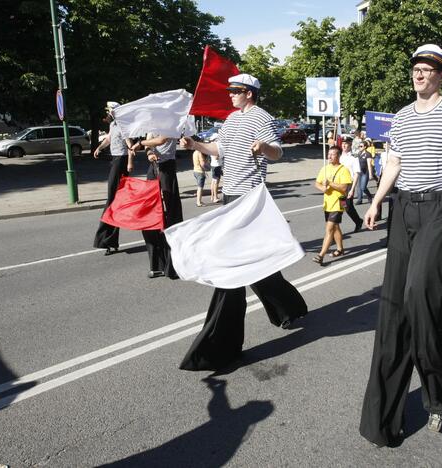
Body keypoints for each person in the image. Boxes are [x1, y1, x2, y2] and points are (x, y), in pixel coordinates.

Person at [359, 44, 442, 446]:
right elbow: (393, 163)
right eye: (416, 68)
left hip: (438, 208)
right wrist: (377, 201)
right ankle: (384, 418)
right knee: (394, 310)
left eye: (429, 69)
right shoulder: (400, 117)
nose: (420, 74)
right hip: (404, 209)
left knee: (421, 297)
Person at [177, 73, 308, 371]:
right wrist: (196, 144)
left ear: (249, 93)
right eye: (229, 90)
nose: (229, 95)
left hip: (250, 200)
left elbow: (278, 153)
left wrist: (264, 148)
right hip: (229, 197)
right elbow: (219, 151)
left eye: (235, 91)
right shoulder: (231, 120)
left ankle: (220, 346)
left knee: (230, 271)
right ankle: (290, 308)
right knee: (250, 264)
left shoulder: (262, 118)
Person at [135, 132, 183, 279]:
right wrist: (149, 153)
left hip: (167, 168)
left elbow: (161, 140)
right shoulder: (151, 124)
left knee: (171, 217)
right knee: (150, 216)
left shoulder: (170, 121)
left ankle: (174, 265)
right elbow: (150, 146)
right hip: (153, 167)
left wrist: (141, 143)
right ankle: (156, 265)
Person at [93, 101, 136, 255]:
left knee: (112, 200)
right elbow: (109, 139)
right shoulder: (113, 125)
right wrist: (99, 148)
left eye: (109, 111)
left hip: (121, 162)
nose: (107, 113)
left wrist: (130, 163)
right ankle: (109, 240)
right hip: (115, 161)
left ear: (114, 112)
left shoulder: (123, 125)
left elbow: (130, 145)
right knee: (114, 201)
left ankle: (107, 239)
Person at [313, 146, 352, 265]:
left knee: (329, 228)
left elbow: (344, 187)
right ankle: (340, 249)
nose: (329, 156)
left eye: (332, 154)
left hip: (339, 202)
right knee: (335, 227)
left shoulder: (343, 169)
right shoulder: (325, 169)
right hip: (327, 203)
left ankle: (321, 255)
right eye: (328, 154)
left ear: (338, 156)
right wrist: (323, 188)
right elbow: (317, 183)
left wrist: (330, 183)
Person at [339, 137, 364, 231]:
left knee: (348, 207)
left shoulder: (353, 158)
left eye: (346, 144)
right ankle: (335, 228)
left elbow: (357, 174)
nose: (344, 145)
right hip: (339, 185)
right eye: (343, 144)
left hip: (349, 185)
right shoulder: (339, 157)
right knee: (341, 207)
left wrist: (352, 189)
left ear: (350, 145)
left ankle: (358, 221)